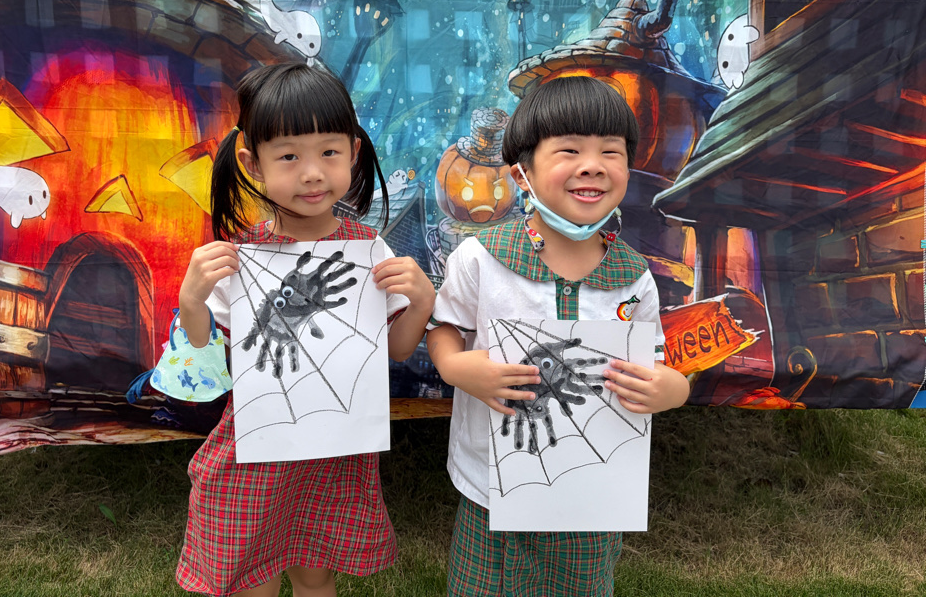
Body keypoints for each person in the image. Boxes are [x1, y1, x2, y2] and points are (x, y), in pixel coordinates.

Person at [174, 63, 435, 597]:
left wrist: (422, 302)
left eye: (329, 152)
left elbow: (396, 349)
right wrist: (191, 299)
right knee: (255, 577)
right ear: (252, 162)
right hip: (257, 445)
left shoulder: (369, 249)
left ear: (353, 153)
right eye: (289, 156)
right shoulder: (241, 257)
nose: (313, 173)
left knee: (317, 572)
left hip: (338, 449)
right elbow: (202, 348)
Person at [426, 75, 690, 597]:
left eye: (610, 151)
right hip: (491, 487)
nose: (592, 164)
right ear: (521, 174)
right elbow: (444, 328)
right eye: (569, 150)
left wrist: (673, 389)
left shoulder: (635, 278)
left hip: (593, 494)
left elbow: (657, 362)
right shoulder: (479, 259)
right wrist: (456, 367)